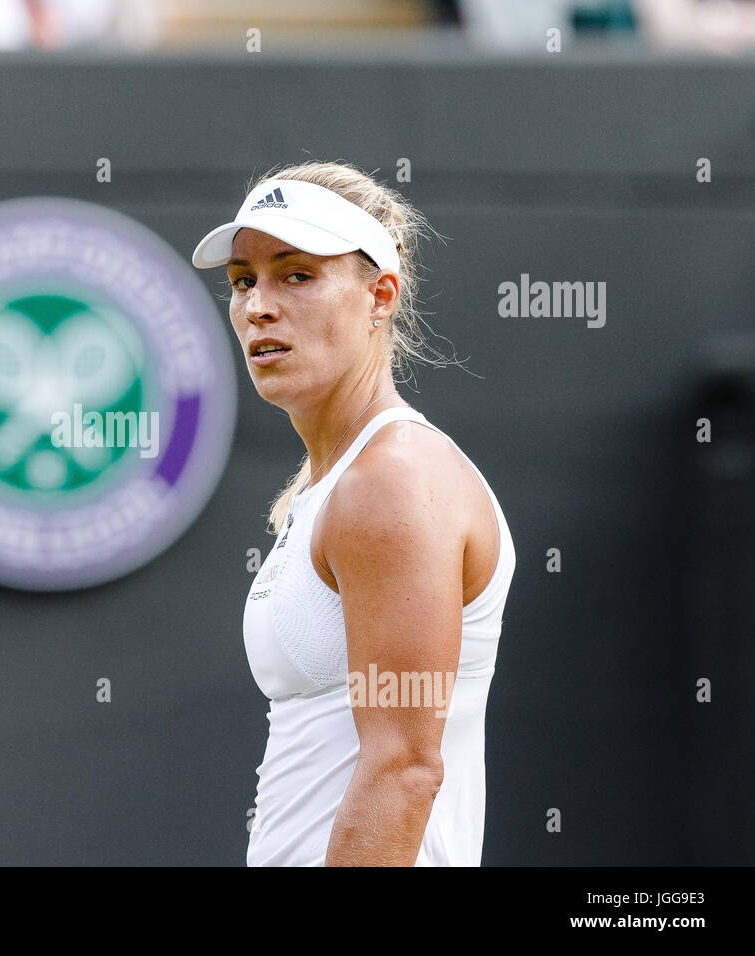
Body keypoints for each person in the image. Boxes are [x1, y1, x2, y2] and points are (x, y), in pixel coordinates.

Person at [191, 160, 516, 866]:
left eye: (296, 274)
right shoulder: (334, 484)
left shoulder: (392, 481)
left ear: (380, 296)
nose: (258, 306)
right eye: (243, 281)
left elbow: (405, 768)